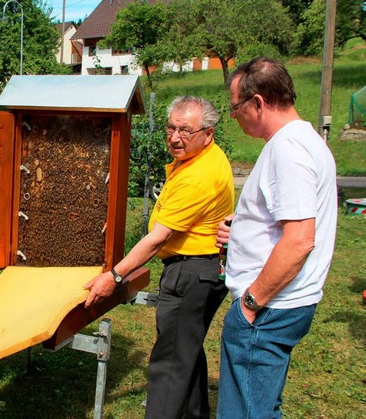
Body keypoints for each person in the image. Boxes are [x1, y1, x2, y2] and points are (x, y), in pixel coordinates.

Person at [84, 96, 234, 419]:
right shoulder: (204, 155)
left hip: (190, 273)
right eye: (171, 128)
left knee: (169, 365)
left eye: (185, 131)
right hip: (204, 269)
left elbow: (158, 238)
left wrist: (115, 276)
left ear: (207, 133)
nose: (175, 137)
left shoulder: (199, 176)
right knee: (186, 352)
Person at [216, 57, 337, 418]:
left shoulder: (289, 150)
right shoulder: (304, 141)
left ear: (258, 103)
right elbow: (292, 217)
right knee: (263, 405)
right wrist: (245, 224)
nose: (234, 115)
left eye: (236, 107)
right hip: (282, 305)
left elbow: (300, 240)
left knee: (246, 412)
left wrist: (251, 305)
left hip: (269, 308)